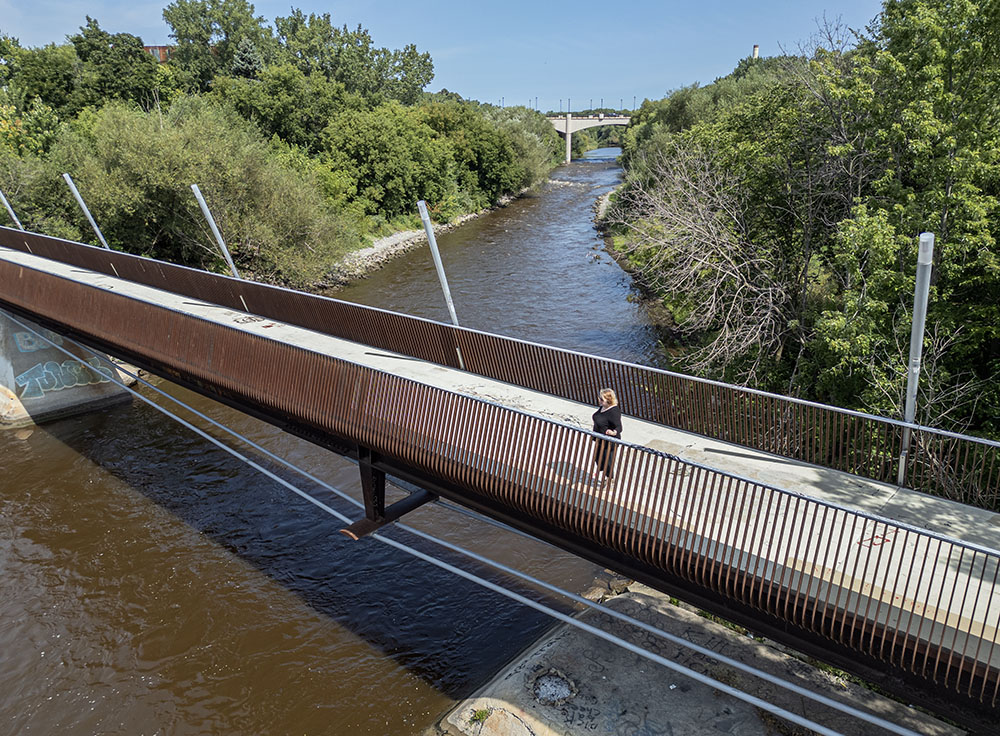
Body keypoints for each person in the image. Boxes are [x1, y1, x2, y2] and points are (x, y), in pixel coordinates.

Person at [591, 388, 622, 484]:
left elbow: (619, 427)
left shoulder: (614, 411)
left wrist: (613, 432)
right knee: (597, 458)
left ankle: (609, 479)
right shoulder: (602, 407)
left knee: (607, 461)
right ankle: (605, 475)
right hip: (600, 439)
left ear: (608, 400)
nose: (599, 400)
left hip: (609, 441)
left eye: (601, 399)